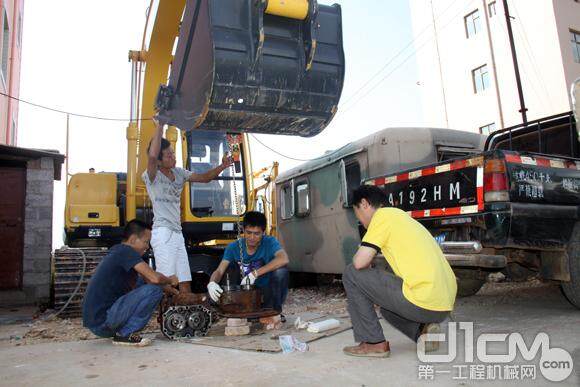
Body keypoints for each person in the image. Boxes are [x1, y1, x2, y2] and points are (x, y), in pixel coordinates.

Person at [342, 185, 457, 358]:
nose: (359, 219)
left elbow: (359, 263)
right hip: (443, 303)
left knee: (351, 273)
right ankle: (423, 333)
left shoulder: (382, 217)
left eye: (356, 212)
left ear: (364, 204)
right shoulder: (401, 217)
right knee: (388, 310)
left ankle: (373, 343)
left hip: (424, 300)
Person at [142, 116, 232, 304]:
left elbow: (205, 178)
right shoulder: (152, 176)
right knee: (166, 280)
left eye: (173, 153)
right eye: (168, 155)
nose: (173, 157)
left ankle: (189, 314)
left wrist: (222, 166)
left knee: (184, 279)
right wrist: (160, 126)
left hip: (177, 233)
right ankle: (170, 316)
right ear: (159, 160)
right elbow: (151, 155)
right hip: (163, 233)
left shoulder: (179, 173)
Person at [82, 220, 179, 347]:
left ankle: (122, 332)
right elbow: (155, 278)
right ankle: (125, 334)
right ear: (133, 239)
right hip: (103, 321)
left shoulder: (119, 252)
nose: (147, 247)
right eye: (145, 242)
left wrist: (175, 292)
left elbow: (147, 279)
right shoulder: (125, 251)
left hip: (100, 321)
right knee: (154, 291)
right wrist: (171, 279)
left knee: (142, 281)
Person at [207, 211, 290, 314]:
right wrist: (211, 283)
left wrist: (255, 274)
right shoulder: (233, 247)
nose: (252, 237)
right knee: (229, 267)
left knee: (281, 272)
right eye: (248, 232)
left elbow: (283, 259)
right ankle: (233, 308)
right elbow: (219, 271)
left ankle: (273, 311)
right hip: (241, 294)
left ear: (263, 232)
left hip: (265, 290)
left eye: (256, 234)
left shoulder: (270, 242)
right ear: (243, 231)